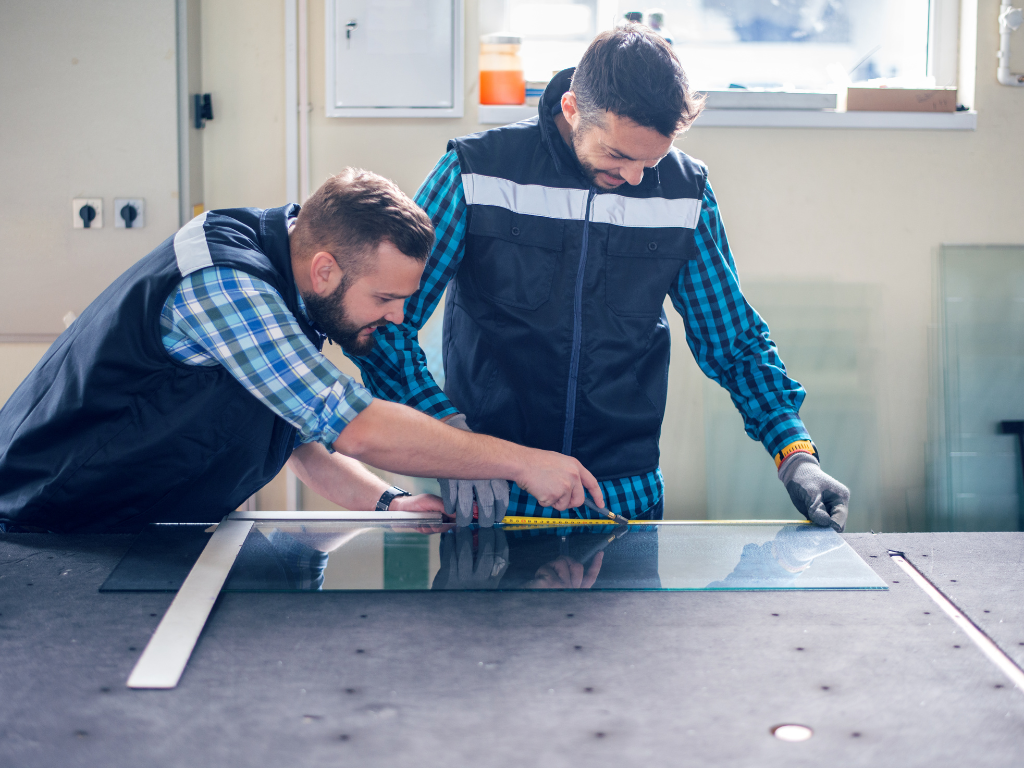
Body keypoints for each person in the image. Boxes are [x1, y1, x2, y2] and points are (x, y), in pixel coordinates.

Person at [349, 24, 850, 531]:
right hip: (496, 492)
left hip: (624, 495)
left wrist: (794, 453)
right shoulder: (476, 173)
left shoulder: (682, 193)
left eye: (650, 160)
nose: (634, 178)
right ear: (571, 109)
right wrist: (450, 437)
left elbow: (734, 340)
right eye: (618, 155)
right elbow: (384, 323)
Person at [0, 169, 603, 533]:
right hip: (45, 528)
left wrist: (390, 504)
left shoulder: (296, 288)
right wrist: (523, 461)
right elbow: (357, 428)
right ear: (324, 269)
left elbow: (298, 439)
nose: (399, 317)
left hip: (139, 531)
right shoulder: (223, 282)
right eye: (386, 298)